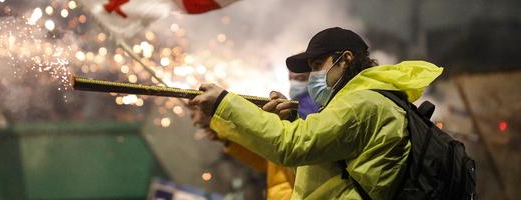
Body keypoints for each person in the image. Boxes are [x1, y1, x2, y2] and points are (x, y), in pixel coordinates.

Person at [191, 27, 443, 199]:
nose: (312, 78)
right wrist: (290, 120)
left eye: (316, 66)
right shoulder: (366, 100)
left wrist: (224, 103)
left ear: (345, 59)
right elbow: (314, 163)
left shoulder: (363, 104)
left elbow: (292, 145)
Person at [190, 71, 319, 200]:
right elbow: (267, 161)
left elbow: (289, 149)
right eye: (291, 79)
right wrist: (226, 139)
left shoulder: (313, 114)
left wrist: (221, 106)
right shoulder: (296, 116)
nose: (293, 83)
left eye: (299, 78)